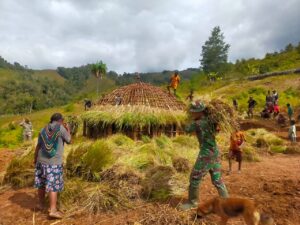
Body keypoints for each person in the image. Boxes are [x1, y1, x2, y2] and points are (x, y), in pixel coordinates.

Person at [179, 101, 228, 211]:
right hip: (215, 152)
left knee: (194, 177)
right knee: (217, 180)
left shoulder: (197, 123)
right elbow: (217, 130)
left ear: (200, 112)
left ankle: (192, 203)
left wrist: (188, 121)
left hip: (206, 154)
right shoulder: (212, 120)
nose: (192, 114)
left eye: (193, 112)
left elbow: (186, 129)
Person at [34, 113, 71, 219]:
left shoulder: (43, 129)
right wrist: (68, 129)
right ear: (60, 120)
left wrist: (35, 159)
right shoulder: (61, 128)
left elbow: (38, 146)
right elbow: (69, 140)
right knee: (53, 186)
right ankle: (53, 210)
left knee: (41, 183)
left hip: (40, 161)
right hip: (53, 163)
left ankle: (40, 205)